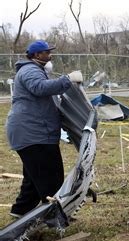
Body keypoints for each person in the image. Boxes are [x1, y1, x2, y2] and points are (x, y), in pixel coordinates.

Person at [6, 40, 83, 218]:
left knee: (34, 177)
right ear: (36, 55)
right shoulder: (29, 70)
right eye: (46, 52)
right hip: (33, 133)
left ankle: (20, 210)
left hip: (30, 132)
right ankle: (55, 215)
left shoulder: (34, 70)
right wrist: (67, 79)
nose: (50, 55)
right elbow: (40, 88)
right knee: (51, 176)